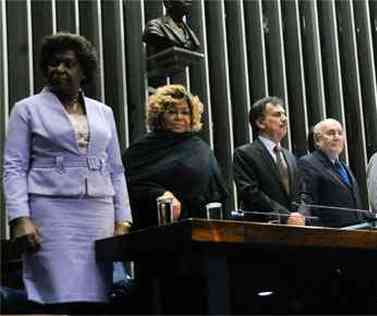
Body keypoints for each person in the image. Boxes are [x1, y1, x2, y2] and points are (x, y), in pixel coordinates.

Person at [3, 33, 131, 312]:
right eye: (52, 63)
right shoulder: (26, 110)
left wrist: (123, 220)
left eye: (67, 63)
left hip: (99, 214)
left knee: (99, 298)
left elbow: (116, 170)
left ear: (83, 70)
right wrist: (19, 218)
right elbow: (13, 166)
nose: (58, 69)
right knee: (55, 298)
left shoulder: (104, 112)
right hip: (50, 215)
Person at [123, 84, 229, 229]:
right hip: (154, 229)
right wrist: (159, 195)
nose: (179, 117)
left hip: (198, 229)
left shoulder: (201, 148)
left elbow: (216, 192)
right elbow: (126, 186)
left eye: (185, 112)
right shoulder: (141, 149)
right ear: (159, 115)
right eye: (172, 112)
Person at [233, 96, 306, 225]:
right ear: (260, 123)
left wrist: (301, 215)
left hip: (295, 229)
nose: (284, 119)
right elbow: (250, 193)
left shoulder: (290, 157)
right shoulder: (244, 154)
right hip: (262, 231)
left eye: (284, 114)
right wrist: (285, 216)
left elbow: (302, 192)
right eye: (277, 115)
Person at [298, 119, 369, 227]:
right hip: (329, 235)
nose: (336, 137)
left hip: (354, 232)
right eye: (331, 133)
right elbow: (307, 201)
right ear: (317, 140)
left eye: (340, 133)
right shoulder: (308, 163)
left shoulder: (344, 166)